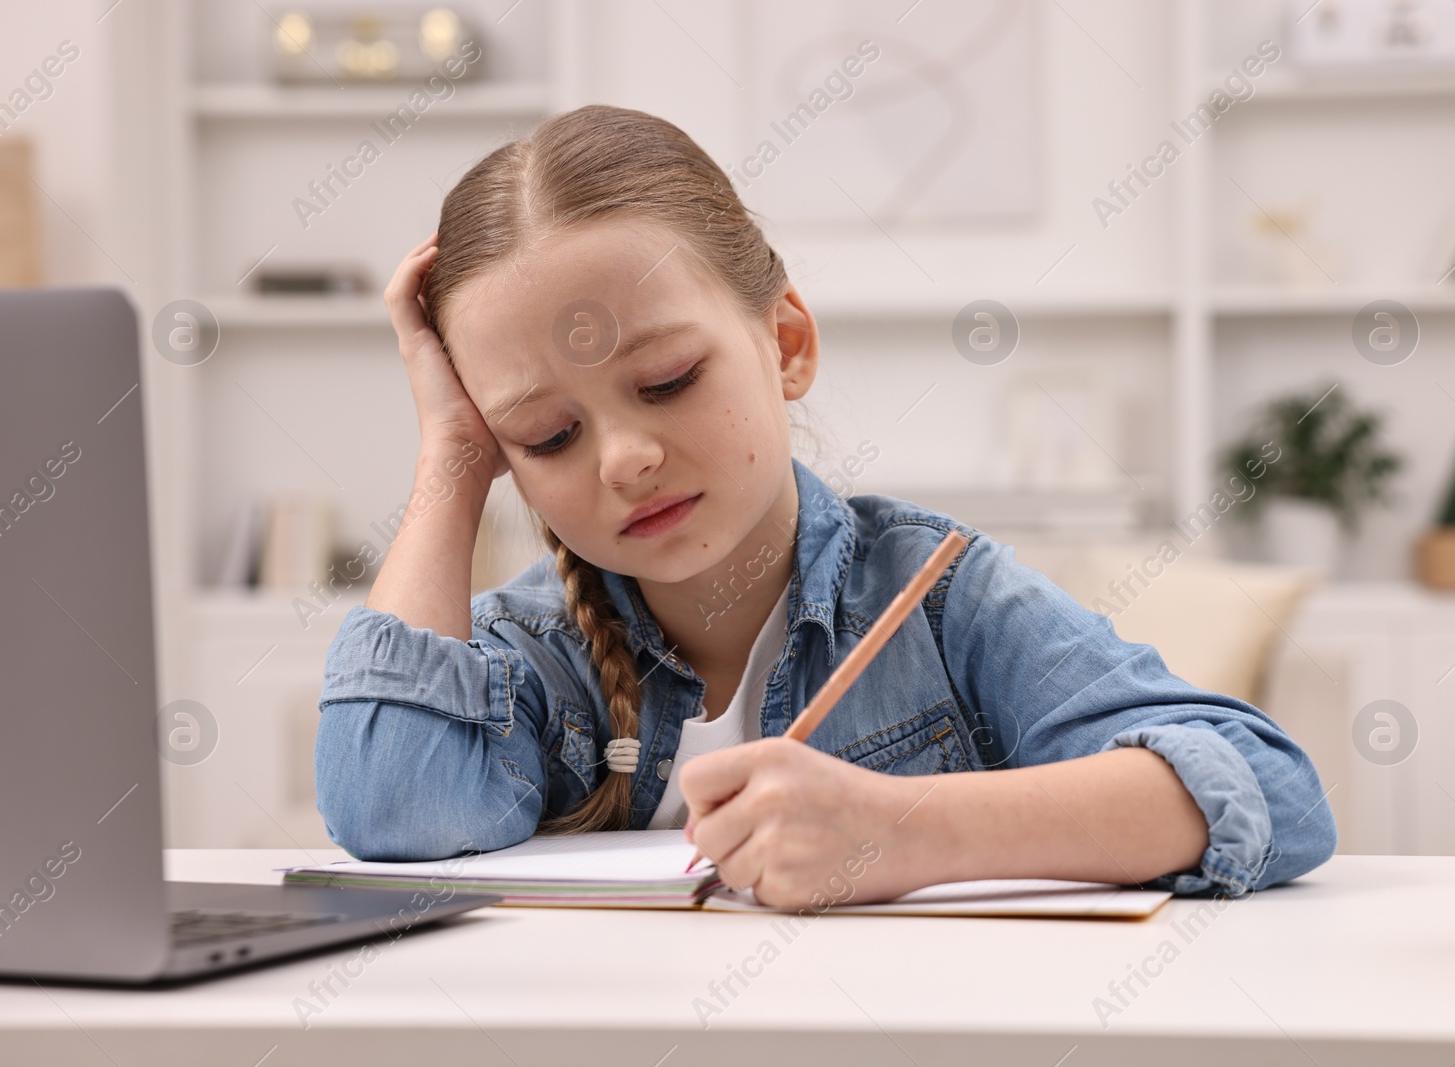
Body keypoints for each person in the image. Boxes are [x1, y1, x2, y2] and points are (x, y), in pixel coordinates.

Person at [314, 104, 1335, 908]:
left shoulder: (943, 596)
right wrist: (450, 463)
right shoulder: (527, 653)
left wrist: (905, 830)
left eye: (665, 378)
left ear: (787, 343)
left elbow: (1268, 790)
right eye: (545, 435)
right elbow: (394, 808)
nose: (624, 457)